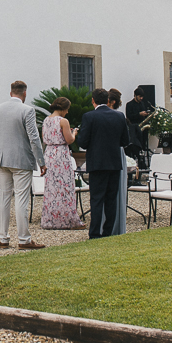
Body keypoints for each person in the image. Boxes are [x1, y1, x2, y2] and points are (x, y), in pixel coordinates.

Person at [0, 80, 46, 250]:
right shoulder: (27, 110)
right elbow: (34, 138)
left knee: (4, 198)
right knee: (21, 199)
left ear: (10, 93)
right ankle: (23, 239)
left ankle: (3, 238)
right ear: (24, 94)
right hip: (21, 158)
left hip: (1, 157)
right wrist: (41, 161)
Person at [76, 88, 129, 239]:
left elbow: (83, 143)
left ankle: (94, 233)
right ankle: (108, 232)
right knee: (111, 199)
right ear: (107, 100)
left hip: (97, 163)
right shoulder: (119, 116)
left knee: (97, 199)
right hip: (114, 163)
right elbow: (125, 141)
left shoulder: (89, 116)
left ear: (93, 100)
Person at [40, 97, 84, 230]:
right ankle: (67, 220)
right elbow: (69, 140)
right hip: (60, 154)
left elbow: (44, 137)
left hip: (49, 153)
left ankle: (51, 220)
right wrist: (74, 132)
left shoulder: (46, 120)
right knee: (65, 187)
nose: (67, 112)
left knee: (52, 188)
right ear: (64, 108)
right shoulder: (63, 121)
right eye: (67, 110)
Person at [107, 89, 129, 236]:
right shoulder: (119, 116)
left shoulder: (119, 116)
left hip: (115, 152)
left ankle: (115, 226)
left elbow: (125, 140)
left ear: (112, 102)